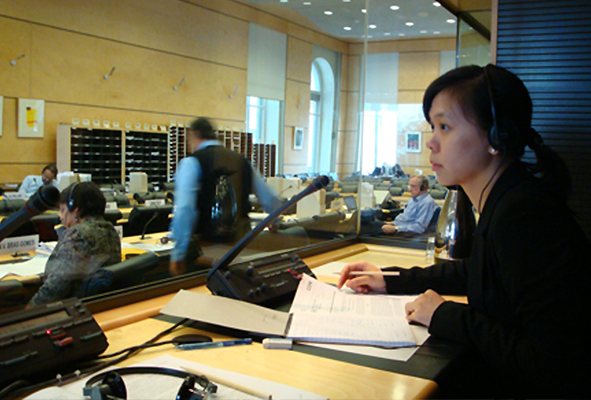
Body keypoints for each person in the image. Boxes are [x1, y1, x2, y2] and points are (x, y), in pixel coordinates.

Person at [337, 64, 591, 398]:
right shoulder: (506, 200)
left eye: (444, 126)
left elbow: (552, 362)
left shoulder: (523, 215)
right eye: (432, 127)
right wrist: (390, 279)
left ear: (496, 137)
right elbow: (478, 272)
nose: (431, 143)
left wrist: (445, 315)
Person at [169, 117, 281, 276]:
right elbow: (269, 196)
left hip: (206, 251)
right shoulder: (242, 161)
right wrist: (275, 221)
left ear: (195, 134)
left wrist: (178, 252)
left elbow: (185, 209)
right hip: (241, 247)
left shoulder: (191, 162)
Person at [29, 182, 121, 306]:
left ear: (75, 209)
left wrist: (28, 309)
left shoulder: (77, 235)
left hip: (71, 308)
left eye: (63, 210)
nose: (61, 217)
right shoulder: (110, 230)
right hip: (100, 305)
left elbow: (54, 289)